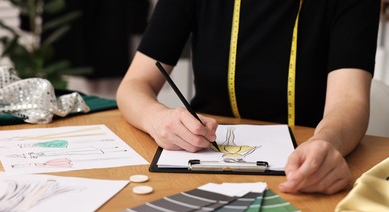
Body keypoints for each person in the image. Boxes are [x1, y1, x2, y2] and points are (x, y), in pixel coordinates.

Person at [116, 0, 380, 194]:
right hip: (201, 161)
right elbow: (134, 85)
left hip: (304, 168)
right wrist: (157, 119)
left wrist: (327, 143)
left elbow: (350, 101)